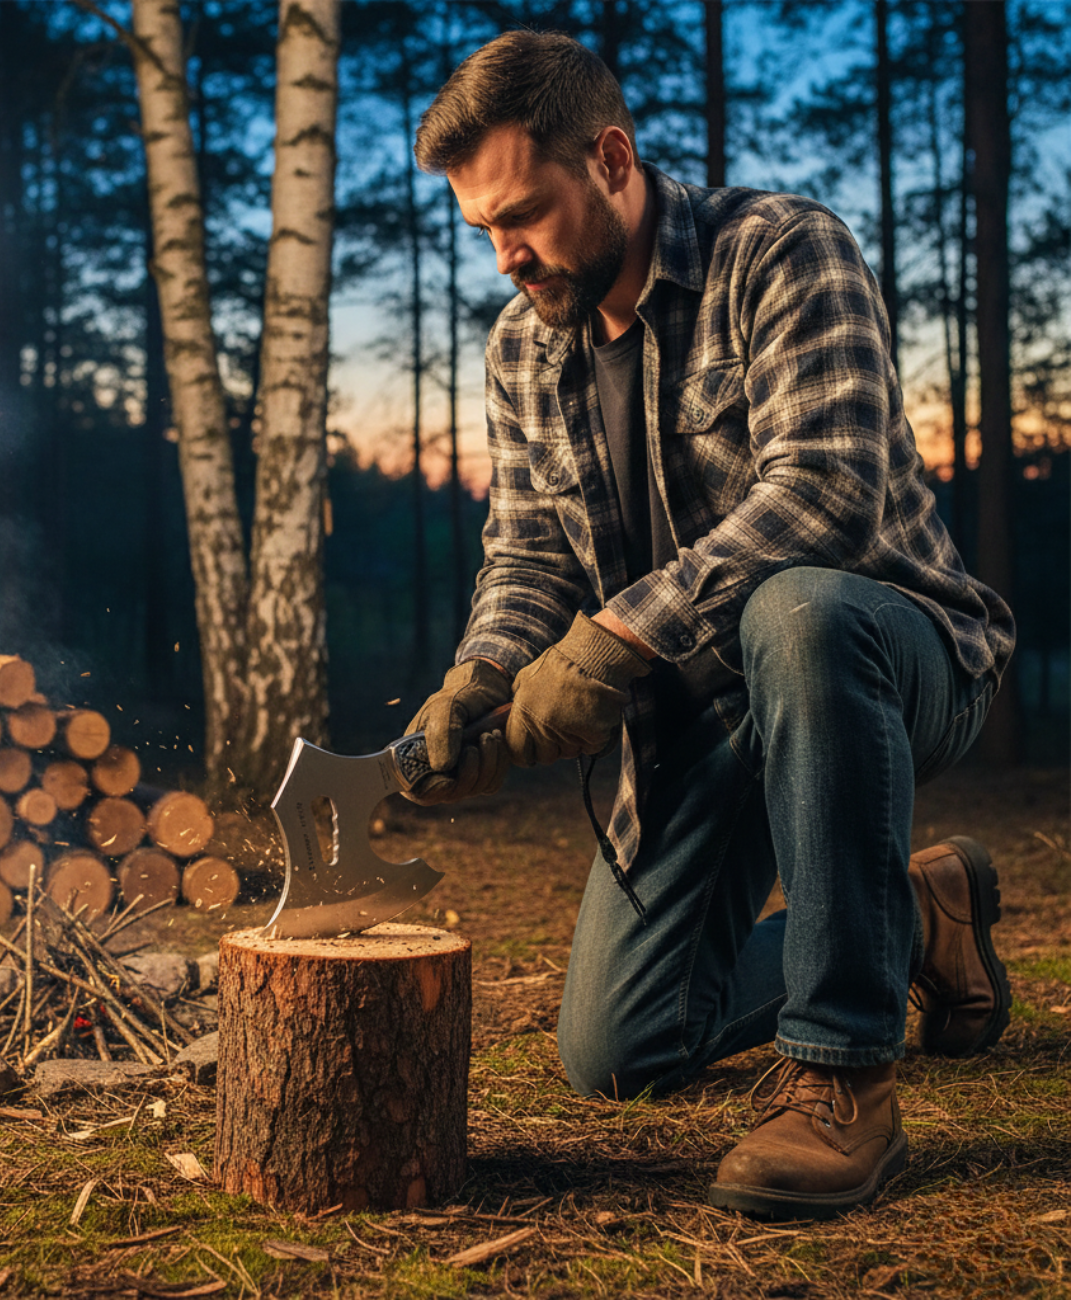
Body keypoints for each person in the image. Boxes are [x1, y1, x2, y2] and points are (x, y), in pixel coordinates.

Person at [405, 31, 1016, 1221]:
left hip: (892, 653)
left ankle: (844, 1073)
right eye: (482, 228)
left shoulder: (781, 249)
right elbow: (528, 546)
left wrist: (615, 641)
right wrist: (482, 672)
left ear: (614, 158)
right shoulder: (524, 346)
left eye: (522, 213)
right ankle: (918, 913)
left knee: (795, 611)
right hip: (708, 718)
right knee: (620, 1047)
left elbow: (826, 494)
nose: (504, 254)